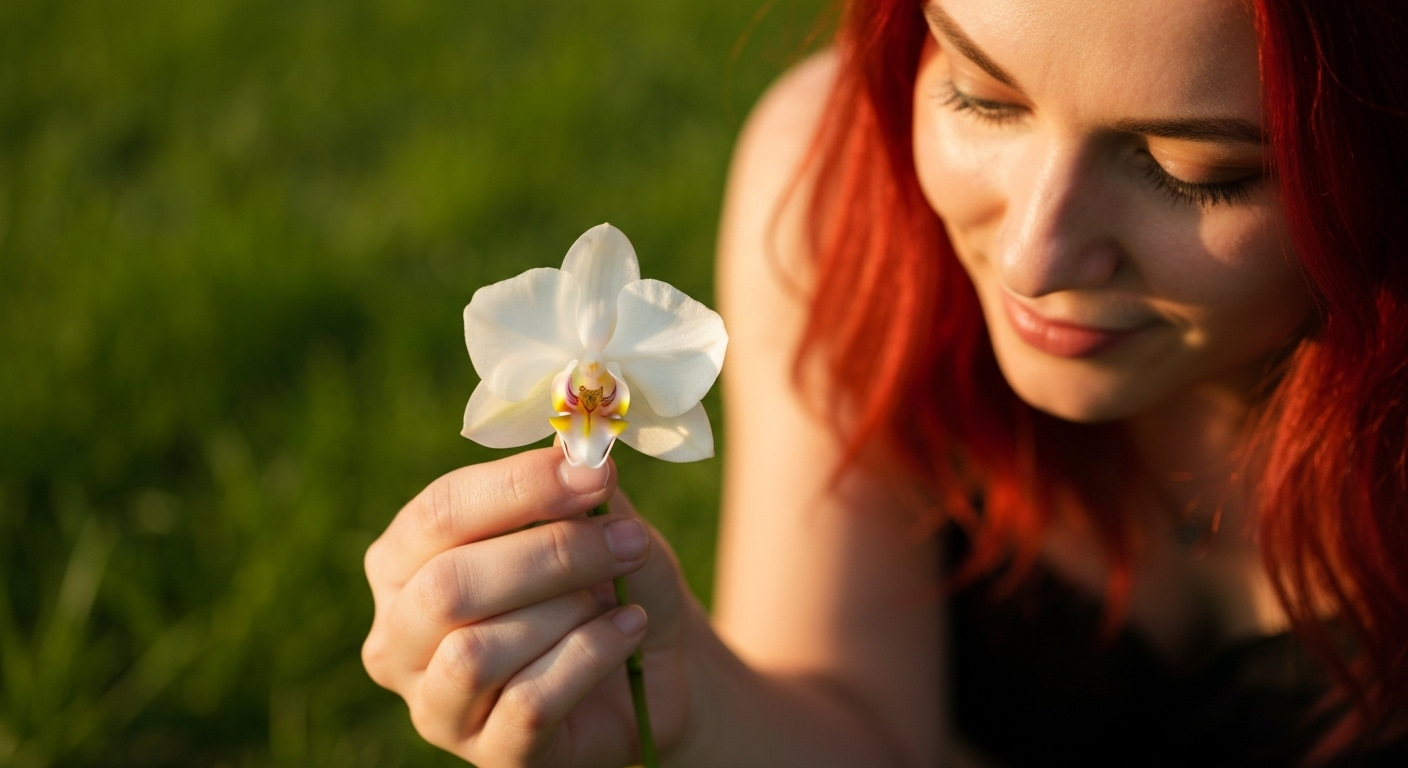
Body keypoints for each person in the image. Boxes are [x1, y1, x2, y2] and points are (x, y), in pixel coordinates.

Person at [360, 0, 1408, 765]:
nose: (1035, 259)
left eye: (1196, 174)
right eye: (980, 97)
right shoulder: (842, 197)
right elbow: (856, 736)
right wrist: (685, 700)